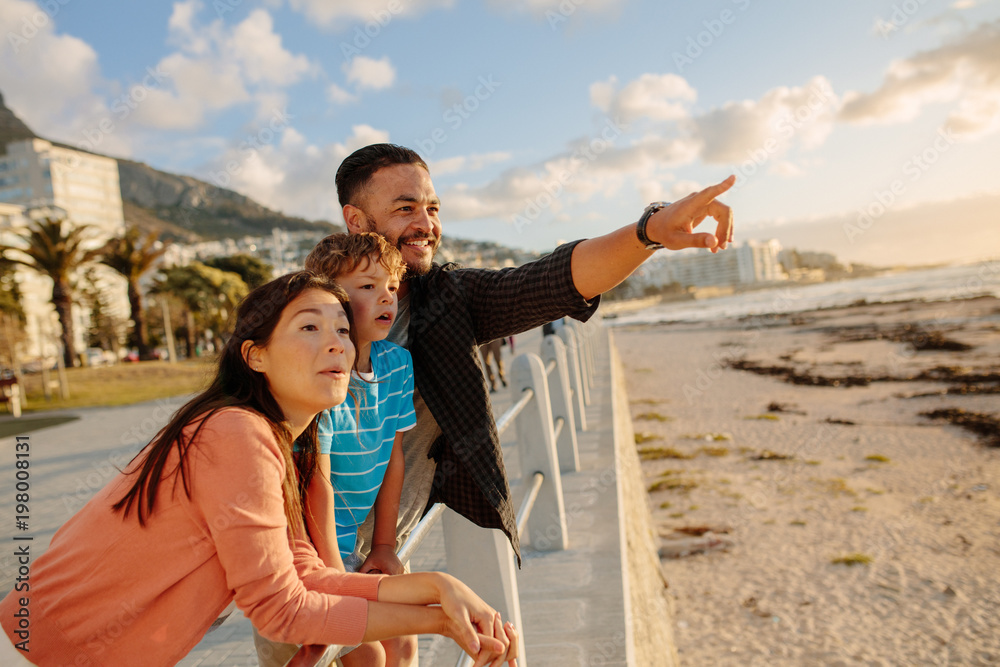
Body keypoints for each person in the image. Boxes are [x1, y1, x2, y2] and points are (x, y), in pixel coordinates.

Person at [0, 271, 518, 667]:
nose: (337, 341)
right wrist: (443, 623)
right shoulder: (234, 432)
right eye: (309, 327)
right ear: (256, 356)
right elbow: (283, 611)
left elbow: (309, 577)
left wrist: (440, 588)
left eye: (342, 327)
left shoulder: (289, 449)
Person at [333, 143, 735, 563]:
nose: (426, 224)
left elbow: (551, 280)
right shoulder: (310, 309)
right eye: (405, 209)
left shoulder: (448, 301)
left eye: (433, 208)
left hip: (384, 550)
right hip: (306, 554)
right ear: (357, 221)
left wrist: (647, 232)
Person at [256, 232, 418, 667]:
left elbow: (393, 460)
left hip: (351, 545)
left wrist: (384, 546)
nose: (386, 297)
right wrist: (333, 577)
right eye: (367, 287)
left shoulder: (397, 365)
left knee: (403, 643)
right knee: (366, 655)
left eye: (391, 287)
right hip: (302, 552)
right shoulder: (323, 377)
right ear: (330, 299)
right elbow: (317, 483)